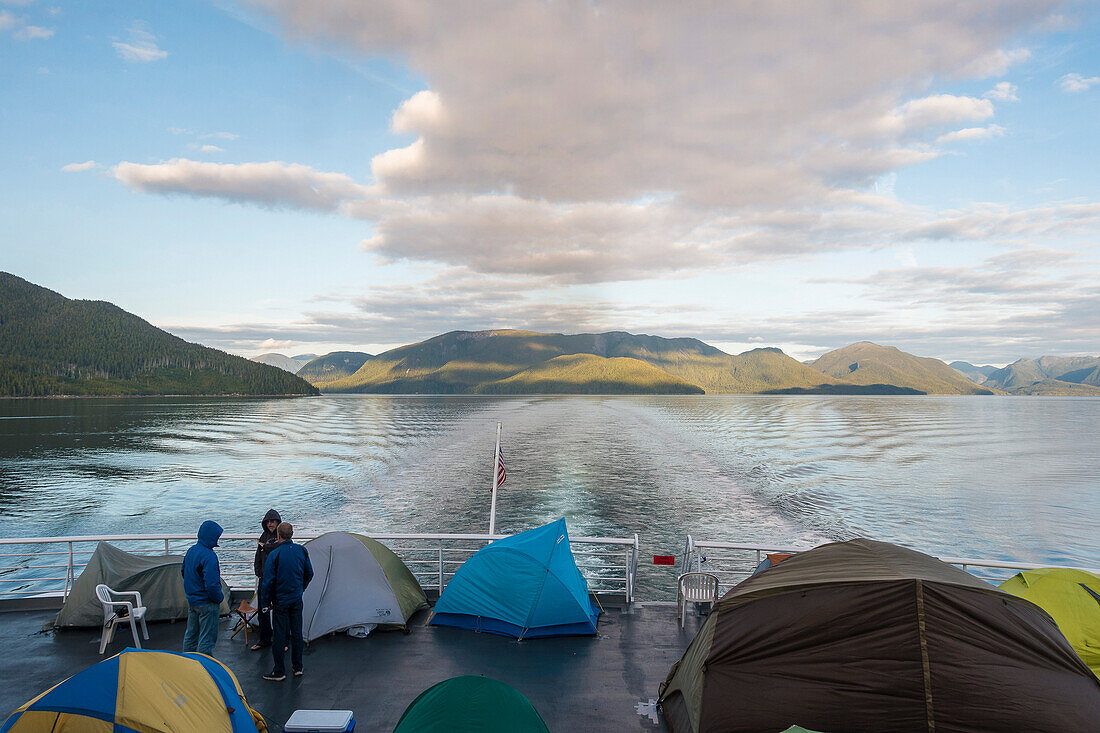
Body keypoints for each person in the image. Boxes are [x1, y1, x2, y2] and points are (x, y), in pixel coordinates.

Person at [260, 522, 313, 681]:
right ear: (292, 534)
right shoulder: (301, 551)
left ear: (278, 535)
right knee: (296, 632)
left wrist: (264, 603)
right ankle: (298, 667)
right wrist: (301, 588)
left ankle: (279, 671)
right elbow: (309, 573)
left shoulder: (274, 555)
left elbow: (268, 581)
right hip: (296, 598)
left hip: (280, 601)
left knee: (279, 635)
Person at [182, 520, 223, 656]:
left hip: (193, 601)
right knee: (207, 640)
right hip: (207, 603)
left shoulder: (191, 551)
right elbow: (211, 584)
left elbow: (184, 572)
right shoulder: (209, 556)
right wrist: (218, 598)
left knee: (190, 637)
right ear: (212, 537)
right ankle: (205, 669)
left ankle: (187, 664)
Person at [251, 509, 281, 650]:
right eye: (268, 521)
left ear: (278, 522)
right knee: (263, 610)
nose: (270, 523)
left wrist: (266, 547)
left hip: (278, 580)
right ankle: (264, 639)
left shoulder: (281, 535)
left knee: (279, 611)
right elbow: (258, 555)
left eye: (273, 521)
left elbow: (280, 548)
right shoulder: (263, 536)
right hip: (264, 579)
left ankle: (282, 640)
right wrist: (258, 572)